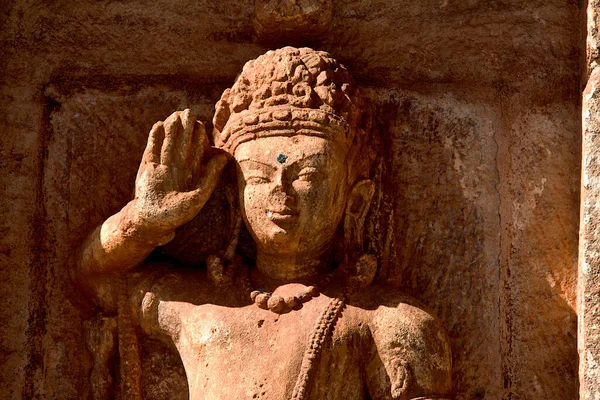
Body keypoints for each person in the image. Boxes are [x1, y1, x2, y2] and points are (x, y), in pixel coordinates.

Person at [73, 47, 452, 400]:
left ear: (356, 201)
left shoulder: (389, 323)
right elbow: (95, 280)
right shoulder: (197, 308)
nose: (280, 191)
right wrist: (145, 220)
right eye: (257, 176)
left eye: (307, 175)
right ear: (233, 198)